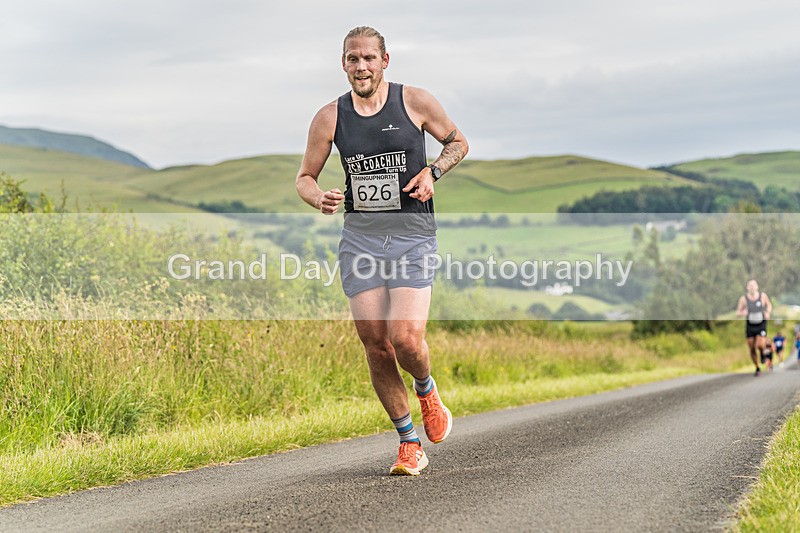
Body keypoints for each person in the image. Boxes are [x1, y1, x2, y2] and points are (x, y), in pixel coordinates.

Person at [295, 26, 468, 475]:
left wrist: (432, 173)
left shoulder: (414, 101)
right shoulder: (329, 117)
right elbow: (304, 178)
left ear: (385, 61)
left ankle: (428, 391)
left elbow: (458, 142)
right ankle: (409, 442)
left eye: (369, 58)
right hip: (361, 240)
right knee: (376, 345)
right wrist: (319, 198)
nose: (361, 66)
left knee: (406, 339)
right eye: (353, 59)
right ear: (343, 64)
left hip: (412, 234)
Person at [736, 279, 773, 376]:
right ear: (747, 288)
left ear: (757, 287)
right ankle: (757, 367)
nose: (752, 287)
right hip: (750, 325)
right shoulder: (744, 299)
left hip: (761, 323)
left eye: (753, 285)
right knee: (752, 347)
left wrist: (768, 312)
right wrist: (742, 313)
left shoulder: (762, 296)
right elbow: (738, 312)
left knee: (760, 344)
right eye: (750, 286)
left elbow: (769, 305)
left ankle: (762, 353)